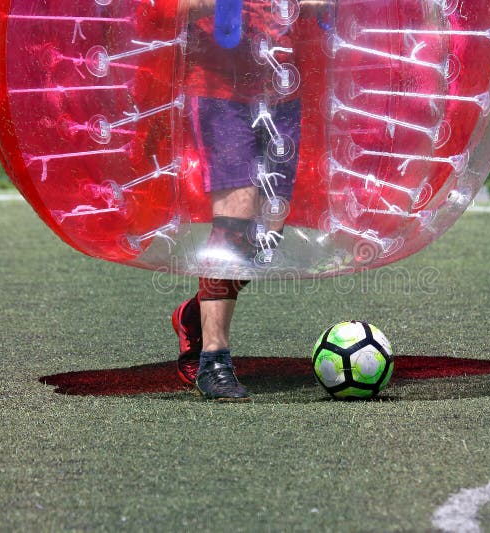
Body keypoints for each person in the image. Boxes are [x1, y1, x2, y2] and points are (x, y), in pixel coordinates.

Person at [170, 0, 318, 401]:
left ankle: (194, 315)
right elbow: (166, 9)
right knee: (235, 221)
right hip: (219, 85)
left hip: (284, 86)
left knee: (267, 233)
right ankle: (214, 362)